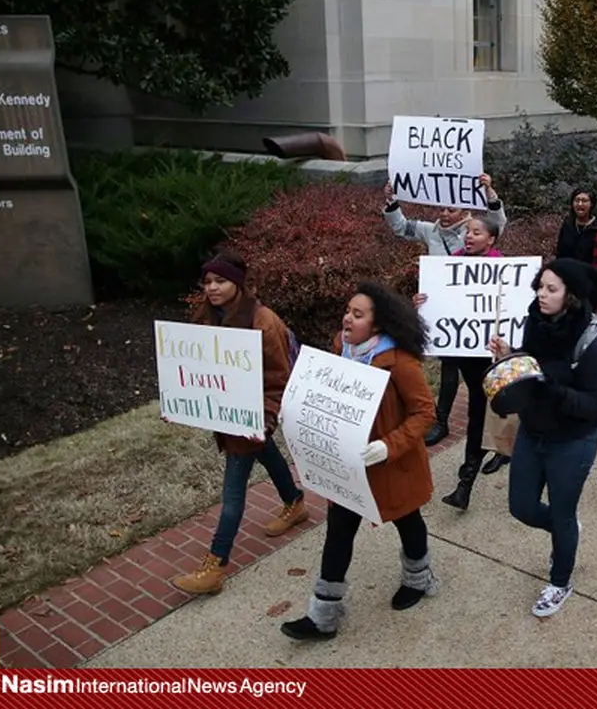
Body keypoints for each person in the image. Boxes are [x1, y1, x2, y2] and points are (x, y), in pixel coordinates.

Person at [281, 282, 438, 641]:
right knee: (338, 530)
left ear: (378, 324)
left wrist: (389, 445)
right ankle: (323, 616)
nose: (347, 318)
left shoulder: (399, 360)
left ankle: (418, 578)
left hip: (392, 466)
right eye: (347, 311)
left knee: (407, 520)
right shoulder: (341, 347)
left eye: (357, 314)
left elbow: (424, 412)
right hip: (351, 466)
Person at [171, 251, 309, 595]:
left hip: (250, 417)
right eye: (207, 282)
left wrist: (264, 417)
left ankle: (215, 566)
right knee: (269, 454)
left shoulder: (263, 321)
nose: (212, 288)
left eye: (220, 281)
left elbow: (280, 376)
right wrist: (181, 402)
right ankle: (295, 502)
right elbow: (198, 370)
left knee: (232, 494)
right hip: (226, 414)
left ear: (238, 283)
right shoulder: (206, 319)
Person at [488, 259, 597, 618]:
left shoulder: (591, 341)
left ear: (570, 295)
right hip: (533, 431)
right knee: (521, 507)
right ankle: (566, 529)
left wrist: (553, 390)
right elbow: (531, 370)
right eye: (540, 286)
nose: (541, 294)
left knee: (561, 511)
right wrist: (510, 356)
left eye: (551, 289)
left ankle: (560, 581)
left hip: (573, 441)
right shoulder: (534, 322)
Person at [382, 173, 506, 448]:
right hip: (449, 314)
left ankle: (496, 426)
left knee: (485, 372)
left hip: (477, 311)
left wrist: (490, 193)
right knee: (449, 366)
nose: (445, 213)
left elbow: (497, 225)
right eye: (441, 208)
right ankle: (442, 420)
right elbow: (401, 227)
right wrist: (391, 202)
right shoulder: (431, 230)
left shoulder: (474, 230)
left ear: (464, 209)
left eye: (451, 209)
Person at [415, 215, 509, 501]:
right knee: (483, 409)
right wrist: (422, 302)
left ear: (491, 239)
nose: (468, 236)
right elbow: (443, 302)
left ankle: (466, 481)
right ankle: (496, 453)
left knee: (482, 411)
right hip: (464, 352)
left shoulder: (502, 267)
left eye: (476, 232)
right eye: (467, 231)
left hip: (490, 356)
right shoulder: (451, 264)